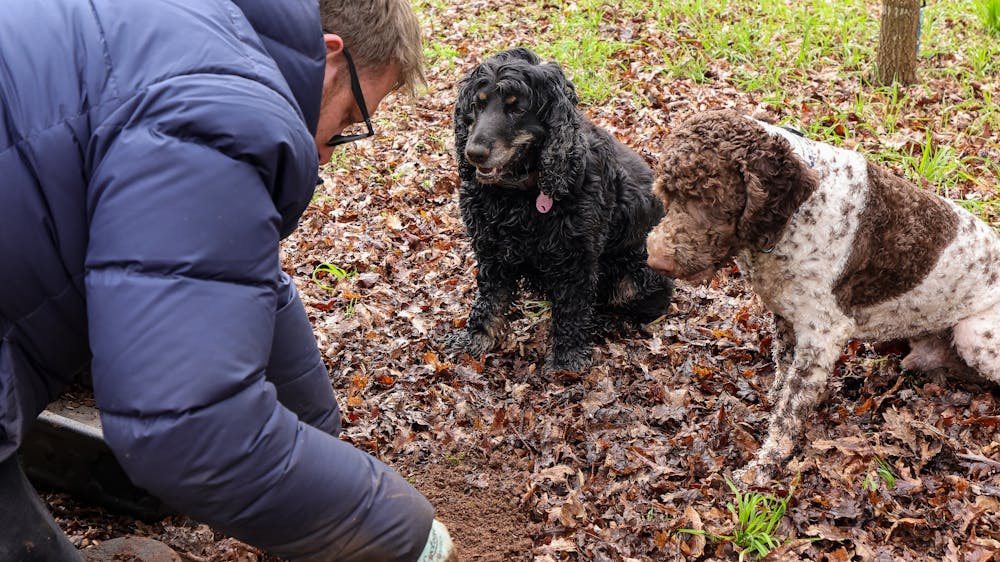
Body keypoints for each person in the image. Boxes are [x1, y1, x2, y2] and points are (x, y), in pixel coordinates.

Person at [0, 0, 457, 561]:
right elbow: (185, 425)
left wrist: (317, 440)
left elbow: (229, 284)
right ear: (330, 59)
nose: (332, 152)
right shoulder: (224, 109)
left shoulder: (197, 37)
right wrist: (403, 536)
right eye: (349, 121)